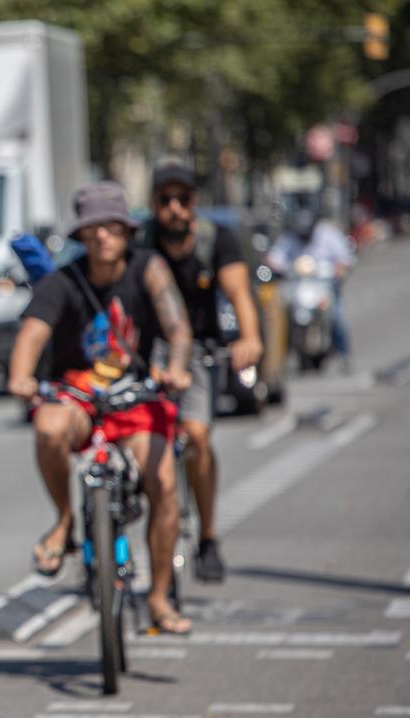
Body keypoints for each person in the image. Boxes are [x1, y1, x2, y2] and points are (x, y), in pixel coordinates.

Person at [7, 181, 194, 634]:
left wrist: (176, 369)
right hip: (79, 397)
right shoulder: (62, 282)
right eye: (93, 230)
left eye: (112, 228)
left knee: (164, 484)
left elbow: (178, 327)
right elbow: (32, 333)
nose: (103, 237)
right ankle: (65, 523)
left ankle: (158, 598)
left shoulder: (148, 269)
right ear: (82, 237)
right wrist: (22, 377)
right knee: (48, 429)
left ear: (127, 232)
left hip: (136, 396)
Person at [140, 161, 263, 583]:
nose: (175, 209)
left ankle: (207, 536)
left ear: (195, 203)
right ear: (153, 204)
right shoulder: (141, 243)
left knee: (197, 437)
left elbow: (239, 292)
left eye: (183, 200)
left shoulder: (216, 239)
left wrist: (249, 337)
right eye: (165, 200)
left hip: (199, 352)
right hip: (148, 353)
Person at [267, 204, 356, 372]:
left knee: (336, 316)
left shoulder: (327, 234)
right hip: (299, 285)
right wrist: (276, 267)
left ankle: (344, 355)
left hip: (323, 285)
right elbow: (275, 258)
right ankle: (282, 355)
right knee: (280, 313)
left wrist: (339, 269)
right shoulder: (290, 237)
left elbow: (345, 258)